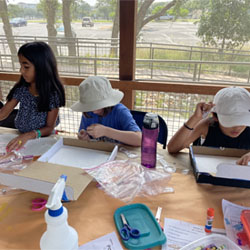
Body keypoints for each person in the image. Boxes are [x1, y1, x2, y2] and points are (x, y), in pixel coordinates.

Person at [0, 41, 65, 152]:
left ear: (41, 67)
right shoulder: (21, 88)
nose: (21, 71)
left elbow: (49, 128)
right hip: (21, 135)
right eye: (21, 66)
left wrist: (30, 135)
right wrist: (25, 136)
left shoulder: (52, 94)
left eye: (26, 67)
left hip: (43, 139)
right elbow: (2, 113)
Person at [167, 86, 250, 165]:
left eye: (243, 121)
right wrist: (195, 118)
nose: (238, 127)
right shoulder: (207, 125)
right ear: (215, 116)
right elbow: (173, 148)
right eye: (231, 122)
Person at [70, 76, 142, 146]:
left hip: (121, 154)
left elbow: (139, 139)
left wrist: (106, 131)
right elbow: (84, 135)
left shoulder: (120, 111)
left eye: (96, 105)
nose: (93, 110)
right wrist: (84, 138)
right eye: (90, 106)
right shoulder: (87, 113)